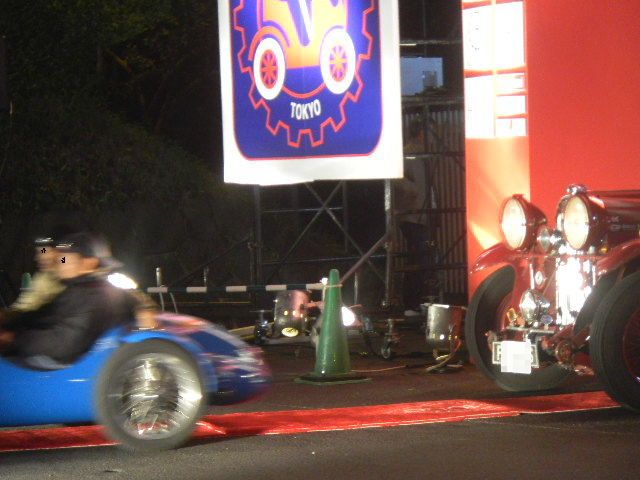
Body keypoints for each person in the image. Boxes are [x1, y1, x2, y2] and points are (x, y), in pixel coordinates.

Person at [6, 232, 137, 369]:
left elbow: (63, 342)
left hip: (64, 362)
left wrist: (13, 339)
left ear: (88, 262)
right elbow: (45, 314)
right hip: (56, 351)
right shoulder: (78, 288)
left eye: (63, 258)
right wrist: (11, 320)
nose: (59, 262)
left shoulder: (92, 294)